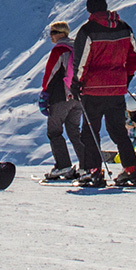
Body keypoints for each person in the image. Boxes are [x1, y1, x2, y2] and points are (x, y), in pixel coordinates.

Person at [72, 0, 136, 187]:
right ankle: (131, 170)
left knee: (90, 132)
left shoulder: (88, 31)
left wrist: (77, 83)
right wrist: (126, 77)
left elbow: (81, 62)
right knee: (118, 131)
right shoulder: (124, 27)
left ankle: (93, 171)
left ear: (89, 10)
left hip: (93, 90)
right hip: (116, 89)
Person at [39, 21, 84, 181]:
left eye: (52, 33)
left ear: (59, 33)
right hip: (78, 97)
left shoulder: (59, 50)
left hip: (60, 97)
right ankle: (86, 166)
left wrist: (44, 94)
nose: (51, 36)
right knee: (74, 131)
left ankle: (63, 165)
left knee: (54, 131)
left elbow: (50, 74)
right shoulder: (77, 47)